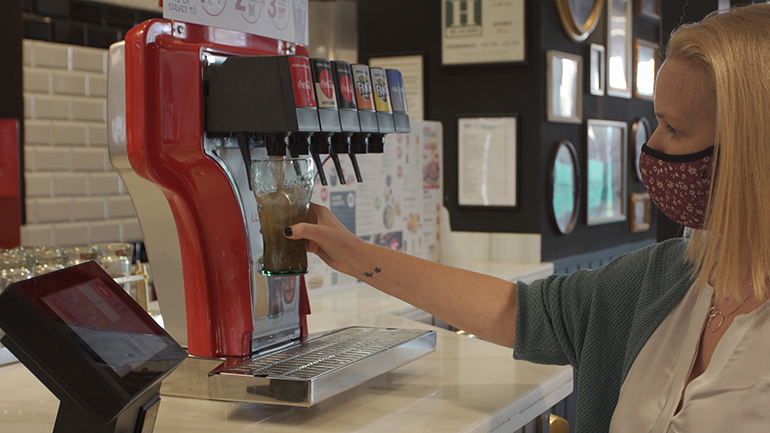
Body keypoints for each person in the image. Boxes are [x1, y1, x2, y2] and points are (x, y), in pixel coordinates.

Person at [285, 4, 770, 432]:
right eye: (655, 121)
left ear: (752, 155)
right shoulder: (668, 278)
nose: (652, 147)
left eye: (673, 128)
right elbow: (519, 312)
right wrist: (355, 255)